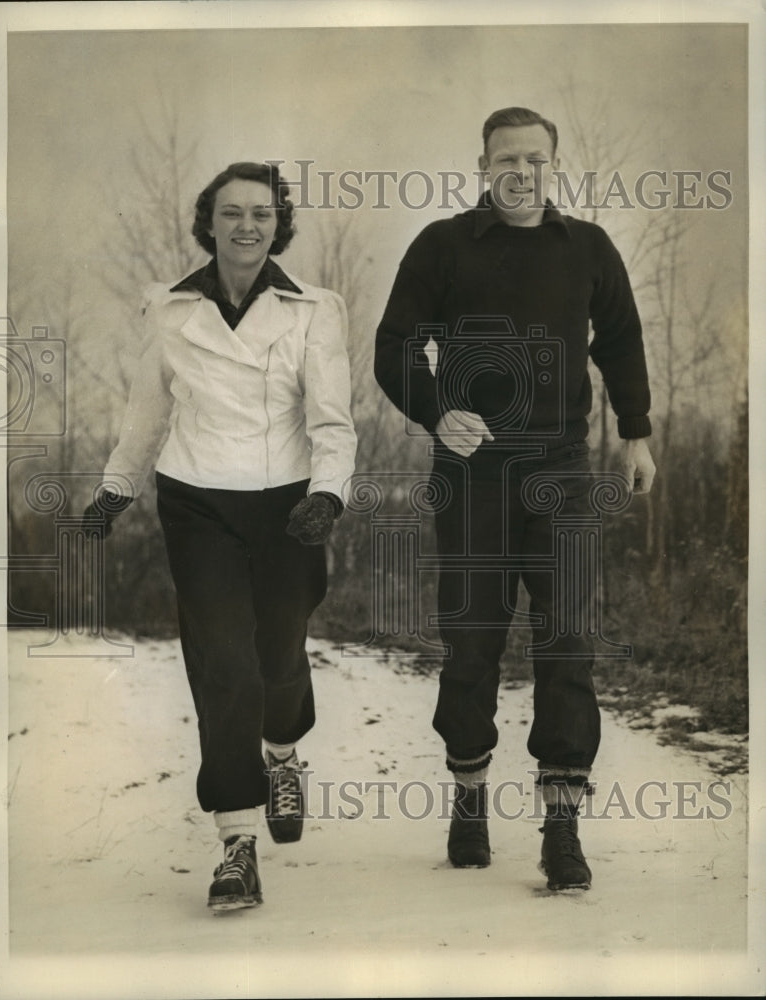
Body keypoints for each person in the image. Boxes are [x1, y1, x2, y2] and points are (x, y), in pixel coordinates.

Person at [374, 107, 655, 891]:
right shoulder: (443, 245)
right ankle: (469, 796)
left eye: (534, 159)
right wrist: (435, 409)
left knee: (567, 640)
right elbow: (394, 344)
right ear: (483, 165)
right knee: (472, 645)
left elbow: (622, 338)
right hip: (472, 477)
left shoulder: (588, 248)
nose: (520, 172)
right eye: (506, 160)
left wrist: (637, 434)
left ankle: (560, 828)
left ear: (552, 166)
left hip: (562, 472)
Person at [83, 161, 357, 912]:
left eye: (262, 214)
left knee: (278, 654)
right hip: (198, 501)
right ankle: (237, 842)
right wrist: (115, 489)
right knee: (224, 663)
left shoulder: (314, 310)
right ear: (209, 222)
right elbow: (147, 414)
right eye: (232, 213)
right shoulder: (169, 311)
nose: (247, 226)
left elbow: (332, 418)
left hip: (289, 507)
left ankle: (284, 754)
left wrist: (329, 496)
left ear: (279, 223)